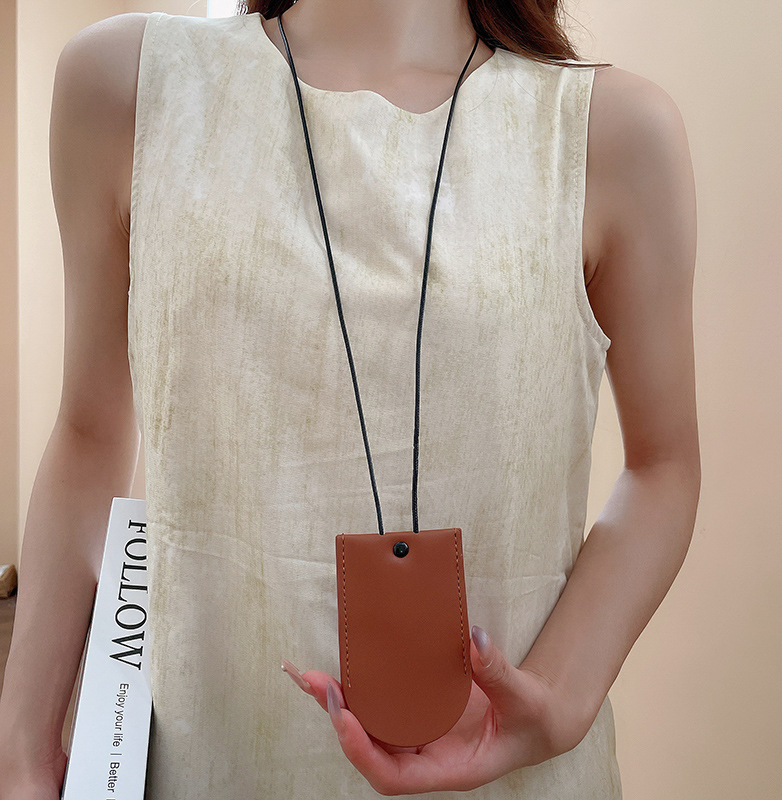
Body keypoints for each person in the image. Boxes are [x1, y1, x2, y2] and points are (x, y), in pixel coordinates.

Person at [0, 0, 700, 797]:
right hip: (210, 756)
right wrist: (23, 747)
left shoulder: (608, 132)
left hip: (509, 768)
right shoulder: (131, 85)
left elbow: (664, 465)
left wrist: (560, 695)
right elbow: (89, 432)